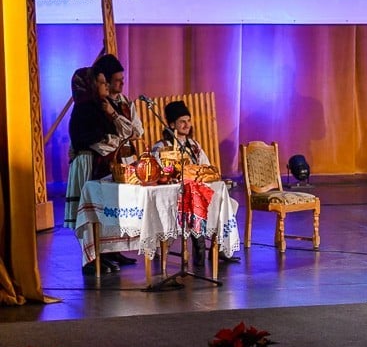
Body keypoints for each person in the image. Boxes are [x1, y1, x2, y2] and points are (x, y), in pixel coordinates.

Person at [66, 54, 141, 274]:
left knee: (104, 211)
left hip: (101, 162)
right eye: (101, 82)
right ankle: (91, 258)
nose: (107, 86)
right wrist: (108, 140)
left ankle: (106, 252)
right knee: (89, 212)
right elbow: (86, 138)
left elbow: (130, 132)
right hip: (87, 163)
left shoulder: (104, 106)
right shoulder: (84, 110)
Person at [152, 101, 240, 265]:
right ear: (172, 124)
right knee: (191, 203)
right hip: (174, 195)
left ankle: (218, 248)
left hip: (196, 191)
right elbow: (159, 173)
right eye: (182, 121)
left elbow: (205, 166)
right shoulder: (162, 147)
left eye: (188, 120)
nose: (187, 125)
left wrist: (207, 175)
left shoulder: (194, 146)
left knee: (228, 203)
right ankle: (195, 241)